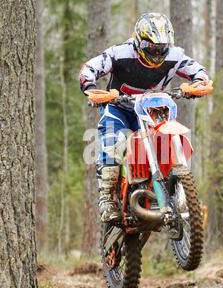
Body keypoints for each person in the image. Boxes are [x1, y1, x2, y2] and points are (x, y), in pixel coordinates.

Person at [79, 12, 210, 223]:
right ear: (139, 41)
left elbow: (199, 71)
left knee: (167, 136)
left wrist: (199, 83)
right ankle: (107, 200)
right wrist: (91, 88)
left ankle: (175, 189)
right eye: (152, 47)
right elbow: (90, 68)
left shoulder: (175, 56)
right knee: (112, 139)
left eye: (162, 48)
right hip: (118, 107)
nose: (158, 52)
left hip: (151, 110)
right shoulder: (119, 53)